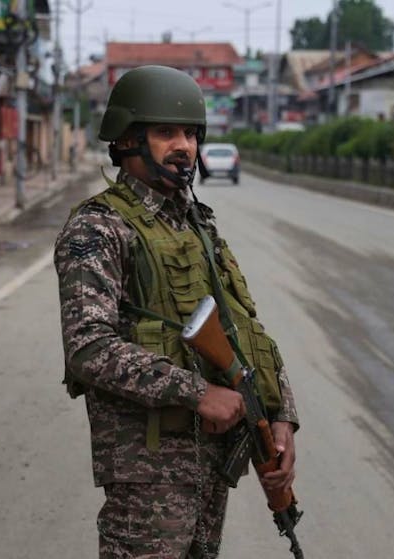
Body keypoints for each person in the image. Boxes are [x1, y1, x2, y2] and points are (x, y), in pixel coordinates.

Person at [54, 65, 299, 558]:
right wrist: (195, 392)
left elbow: (242, 327)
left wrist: (280, 415)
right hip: (148, 470)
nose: (183, 145)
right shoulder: (99, 229)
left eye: (190, 133)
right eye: (165, 132)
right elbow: (88, 347)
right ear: (126, 140)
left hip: (209, 461)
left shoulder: (198, 226)